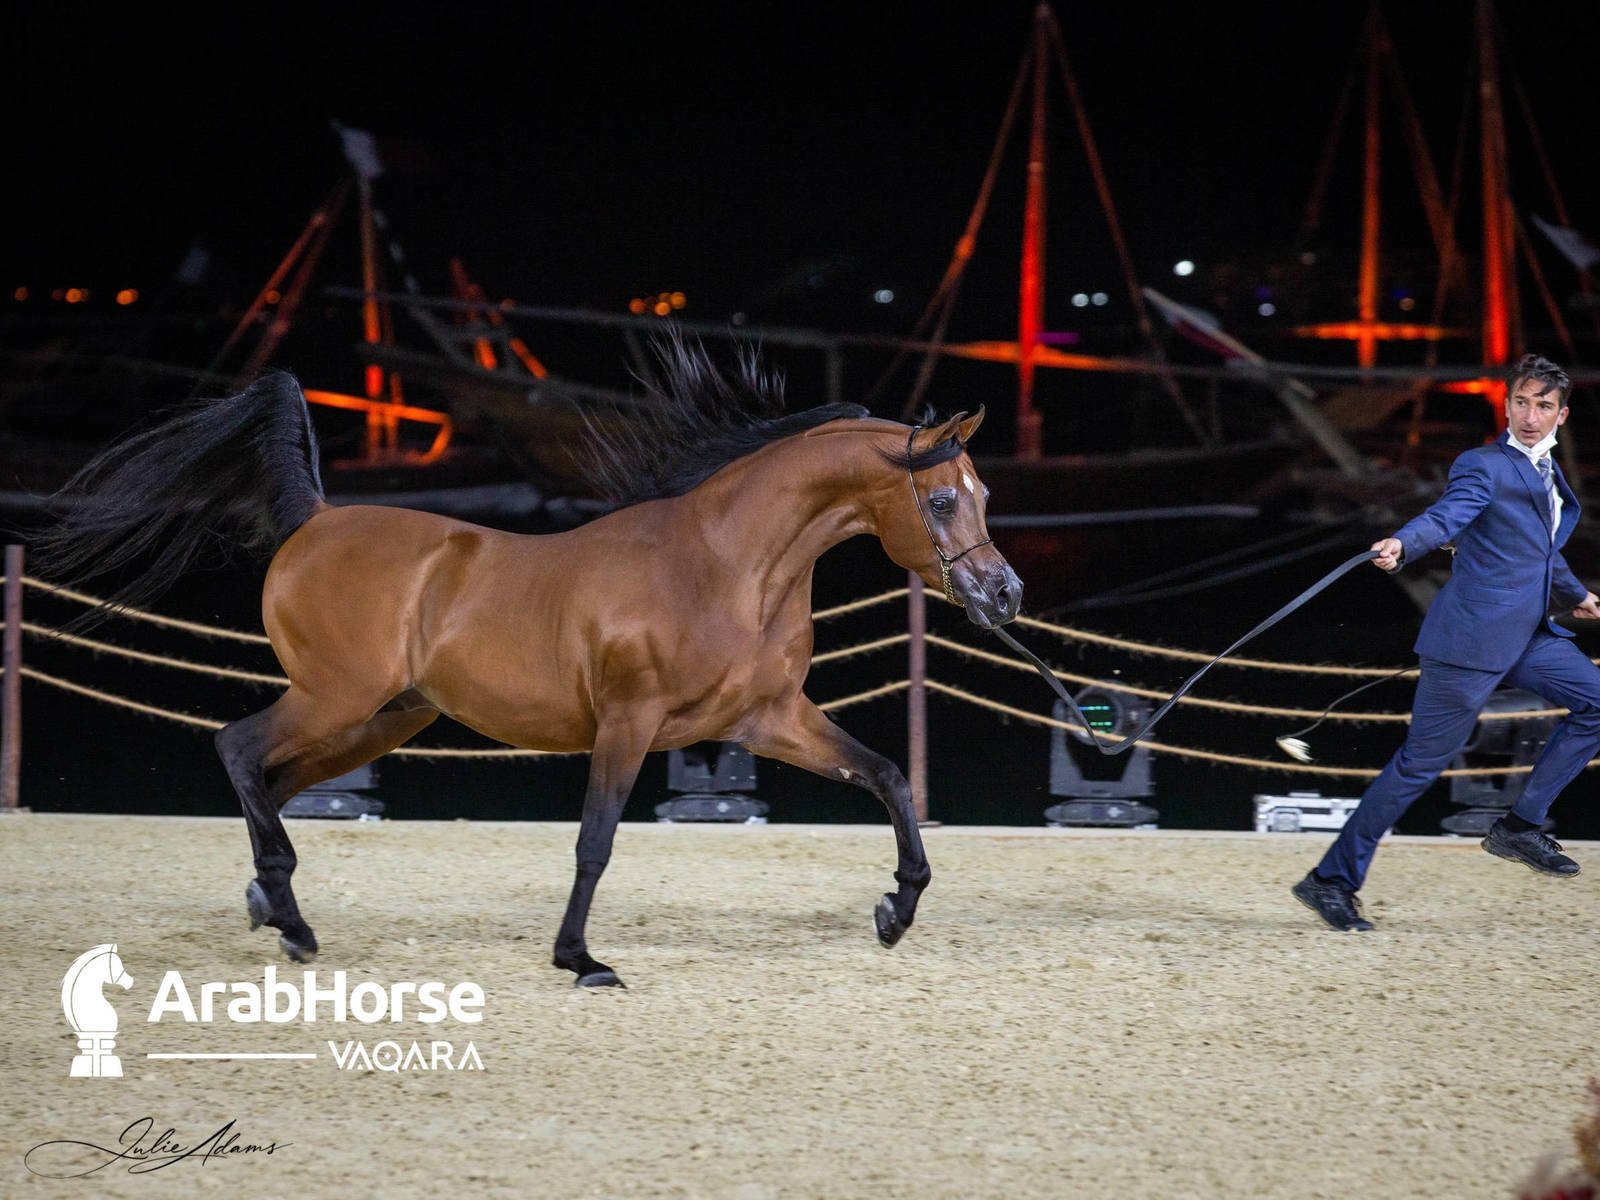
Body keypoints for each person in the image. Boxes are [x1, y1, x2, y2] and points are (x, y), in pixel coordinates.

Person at [1293, 353, 1600, 931]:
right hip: (1469, 641)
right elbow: (1446, 516)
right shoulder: (1483, 465)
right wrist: (1404, 544)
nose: (1529, 416)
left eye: (1543, 406)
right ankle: (1330, 881)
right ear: (1506, 405)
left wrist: (1575, 593)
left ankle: (1519, 827)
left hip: (1528, 634)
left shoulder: (1546, 471)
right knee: (1417, 766)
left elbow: (1536, 552)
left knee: (1597, 703)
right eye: (1520, 402)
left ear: (1562, 414)